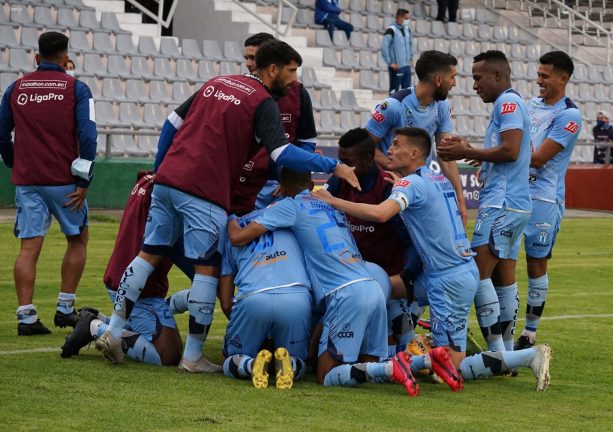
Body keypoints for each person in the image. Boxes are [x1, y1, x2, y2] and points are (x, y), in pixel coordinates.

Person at [96, 40, 359, 372]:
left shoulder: (216, 82)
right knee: (208, 269)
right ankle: (192, 357)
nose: (294, 80)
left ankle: (114, 331)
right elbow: (282, 154)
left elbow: (171, 123)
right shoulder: (263, 102)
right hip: (205, 191)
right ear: (274, 69)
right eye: (291, 72)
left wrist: (162, 169)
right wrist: (332, 166)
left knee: (148, 253)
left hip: (167, 181)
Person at [315, 127, 553, 392]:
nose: (389, 150)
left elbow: (382, 214)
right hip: (442, 273)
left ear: (414, 152)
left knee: (451, 367)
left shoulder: (411, 183)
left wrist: (333, 201)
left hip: (448, 281)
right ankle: (409, 343)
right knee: (385, 289)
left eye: (396, 144)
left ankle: (528, 356)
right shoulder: (433, 178)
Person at [227, 168, 420, 396]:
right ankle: (421, 362)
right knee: (367, 366)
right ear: (311, 184)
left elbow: (238, 237)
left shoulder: (290, 206)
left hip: (346, 293)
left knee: (326, 376)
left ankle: (390, 367)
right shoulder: (331, 205)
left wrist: (230, 217)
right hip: (372, 286)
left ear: (282, 188)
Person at [0, 32, 96, 336]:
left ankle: (26, 317)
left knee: (28, 248)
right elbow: (89, 136)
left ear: (36, 58)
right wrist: (83, 179)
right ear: (66, 60)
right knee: (78, 239)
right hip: (64, 181)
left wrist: (16, 163)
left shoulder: (16, 88)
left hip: (28, 180)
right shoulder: (77, 88)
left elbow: (2, 134)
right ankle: (66, 308)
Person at [436, 50, 532, 353]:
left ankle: (496, 353)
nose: (475, 85)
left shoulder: (508, 103)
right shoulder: (509, 103)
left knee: (476, 275)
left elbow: (511, 151)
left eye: (478, 78)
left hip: (501, 204)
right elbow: (506, 154)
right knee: (504, 277)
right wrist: (480, 158)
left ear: (498, 76)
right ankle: (505, 349)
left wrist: (469, 153)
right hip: (515, 203)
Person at [60, 171, 192, 365]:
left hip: (126, 278)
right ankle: (95, 328)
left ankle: (103, 320)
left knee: (203, 284)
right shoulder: (172, 191)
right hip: (140, 289)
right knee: (168, 355)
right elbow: (177, 246)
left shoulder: (148, 180)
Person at [325, 128, 422, 356]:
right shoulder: (339, 181)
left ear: (368, 160)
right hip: (353, 277)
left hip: (389, 279)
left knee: (385, 344)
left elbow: (414, 243)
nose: (342, 167)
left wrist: (405, 279)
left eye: (347, 162)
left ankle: (413, 344)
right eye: (340, 161)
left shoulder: (389, 187)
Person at [517, 51, 582, 351]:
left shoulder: (569, 115)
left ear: (563, 78)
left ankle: (529, 332)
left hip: (544, 199)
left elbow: (539, 158)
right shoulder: (529, 106)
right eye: (538, 74)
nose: (539, 80)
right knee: (497, 259)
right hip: (515, 194)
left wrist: (497, 155)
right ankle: (502, 330)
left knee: (535, 263)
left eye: (545, 76)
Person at [366, 50, 468, 226]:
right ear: (438, 80)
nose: (454, 83)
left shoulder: (442, 106)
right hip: (387, 187)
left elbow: (445, 154)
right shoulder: (393, 106)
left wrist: (460, 199)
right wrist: (395, 167)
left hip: (420, 186)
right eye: (452, 77)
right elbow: (364, 147)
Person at [220, 209, 312, 389]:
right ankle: (290, 364)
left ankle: (251, 365)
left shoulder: (232, 230)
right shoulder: (290, 222)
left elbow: (225, 302)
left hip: (254, 297)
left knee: (229, 359)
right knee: (301, 360)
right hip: (296, 295)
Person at [242, 33, 318, 210]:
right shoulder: (241, 90)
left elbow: (306, 142)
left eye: (253, 57)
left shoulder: (298, 93)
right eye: (247, 57)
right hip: (243, 185)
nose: (248, 63)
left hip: (280, 187)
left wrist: (289, 179)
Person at [381, 9, 413, 95]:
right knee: (394, 93)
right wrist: (390, 63)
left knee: (407, 93)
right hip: (396, 66)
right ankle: (390, 108)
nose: (408, 20)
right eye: (406, 18)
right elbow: (384, 47)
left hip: (406, 66)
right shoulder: (391, 30)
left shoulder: (407, 29)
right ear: (400, 17)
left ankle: (404, 109)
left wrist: (411, 58)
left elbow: (410, 44)